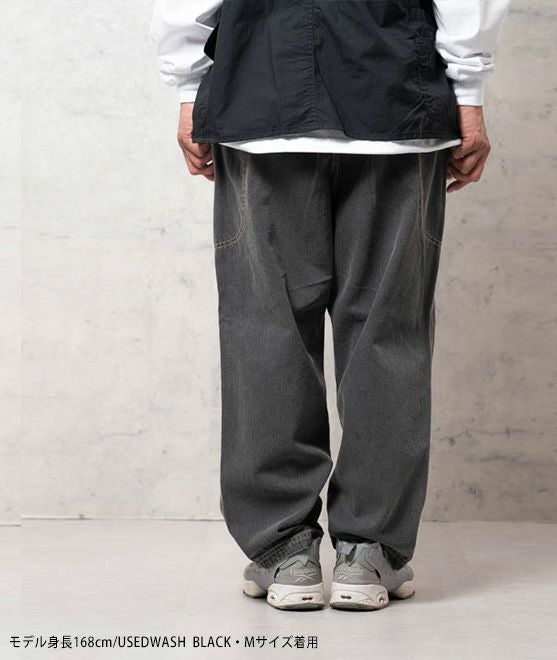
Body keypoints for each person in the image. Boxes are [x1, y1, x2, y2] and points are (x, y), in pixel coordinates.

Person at [150, 0, 510, 611]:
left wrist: (189, 86)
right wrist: (467, 92)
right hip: (394, 93)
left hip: (261, 91)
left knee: (266, 329)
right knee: (387, 332)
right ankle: (370, 552)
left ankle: (283, 551)